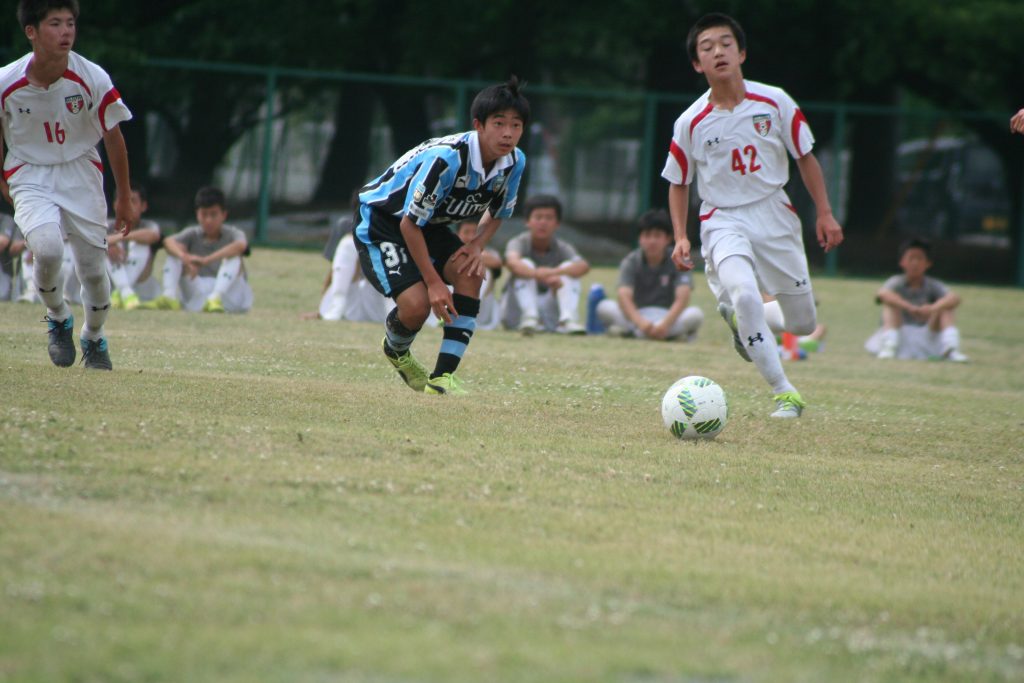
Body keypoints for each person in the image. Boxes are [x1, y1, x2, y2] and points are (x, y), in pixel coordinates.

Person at [662, 13, 844, 418]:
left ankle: (744, 322)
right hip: (722, 218)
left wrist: (826, 214)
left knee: (802, 324)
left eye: (726, 43)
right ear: (697, 64)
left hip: (775, 213)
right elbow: (678, 182)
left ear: (741, 52)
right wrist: (680, 236)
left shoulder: (775, 101)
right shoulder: (689, 122)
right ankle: (784, 393)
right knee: (744, 293)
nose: (718, 52)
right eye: (706, 48)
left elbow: (806, 158)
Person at [354, 76, 528, 395]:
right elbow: (408, 224)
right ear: (479, 124)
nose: (508, 133)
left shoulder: (514, 161)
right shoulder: (448, 159)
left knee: (470, 275)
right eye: (499, 123)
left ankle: (441, 378)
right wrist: (434, 282)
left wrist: (477, 245)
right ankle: (396, 349)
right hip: (384, 222)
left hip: (428, 225)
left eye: (516, 125)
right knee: (417, 306)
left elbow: (501, 211)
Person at [0, 0, 134, 370]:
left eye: (70, 23)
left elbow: (113, 137)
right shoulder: (5, 82)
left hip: (81, 171)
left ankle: (94, 337)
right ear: (32, 31)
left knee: (92, 269)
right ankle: (58, 317)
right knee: (46, 250)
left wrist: (124, 197)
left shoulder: (93, 77)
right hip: (28, 171)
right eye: (55, 23)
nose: (66, 32)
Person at [596, 208, 704, 341]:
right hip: (638, 316)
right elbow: (624, 295)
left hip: (667, 318)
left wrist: (664, 325)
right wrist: (642, 324)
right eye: (647, 235)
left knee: (695, 314)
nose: (652, 241)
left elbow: (683, 297)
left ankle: (640, 334)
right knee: (604, 307)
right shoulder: (631, 261)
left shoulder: (678, 261)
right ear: (640, 238)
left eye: (657, 235)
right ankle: (666, 335)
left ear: (668, 238)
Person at [143, 186, 253, 313]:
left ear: (224, 215)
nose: (208, 220)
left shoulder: (233, 233)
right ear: (197, 214)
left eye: (213, 214)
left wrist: (206, 260)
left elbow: (241, 246)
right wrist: (185, 257)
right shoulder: (192, 233)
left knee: (234, 256)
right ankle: (169, 296)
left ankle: (216, 297)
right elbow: (167, 242)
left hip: (229, 295)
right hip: (199, 290)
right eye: (204, 214)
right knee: (174, 254)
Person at [864, 236, 967, 362]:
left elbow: (954, 298)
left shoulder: (933, 285)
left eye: (920, 259)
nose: (915, 263)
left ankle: (951, 349)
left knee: (946, 307)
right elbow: (882, 295)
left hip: (926, 335)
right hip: (899, 332)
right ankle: (889, 346)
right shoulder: (896, 282)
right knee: (890, 304)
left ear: (928, 263)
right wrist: (909, 307)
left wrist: (932, 308)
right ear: (902, 262)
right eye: (911, 258)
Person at [500, 194, 589, 335]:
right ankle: (529, 317)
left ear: (557, 223)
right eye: (538, 217)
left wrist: (554, 274)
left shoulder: (562, 246)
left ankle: (568, 319)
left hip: (546, 307)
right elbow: (512, 263)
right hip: (515, 310)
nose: (543, 222)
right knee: (525, 264)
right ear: (527, 221)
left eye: (549, 218)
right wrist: (537, 274)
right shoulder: (518, 242)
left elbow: (583, 266)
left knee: (568, 268)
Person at [303, 193, 394, 323]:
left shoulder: (391, 229)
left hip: (380, 298)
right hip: (352, 300)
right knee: (349, 243)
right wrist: (322, 307)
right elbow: (335, 270)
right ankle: (336, 306)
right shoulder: (346, 226)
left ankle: (395, 313)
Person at [106, 183, 161, 310]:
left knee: (140, 244)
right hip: (108, 287)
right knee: (103, 248)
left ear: (144, 206)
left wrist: (118, 237)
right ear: (115, 205)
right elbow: (92, 240)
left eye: (133, 201)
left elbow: (153, 236)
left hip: (141, 288)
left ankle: (123, 293)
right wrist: (108, 245)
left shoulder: (148, 225)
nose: (127, 206)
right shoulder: (106, 226)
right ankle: (125, 292)